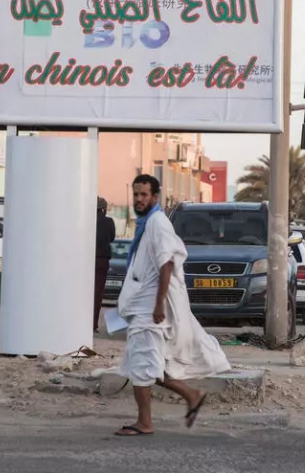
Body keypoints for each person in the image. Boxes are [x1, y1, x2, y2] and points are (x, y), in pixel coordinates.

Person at [114, 174, 230, 436]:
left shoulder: (157, 223)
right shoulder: (147, 224)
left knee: (142, 368)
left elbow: (167, 264)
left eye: (144, 195)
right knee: (145, 364)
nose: (139, 199)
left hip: (150, 311)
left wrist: (158, 306)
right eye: (136, 195)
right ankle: (191, 395)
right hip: (143, 308)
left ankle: (145, 422)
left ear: (155, 197)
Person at [94, 197, 117, 332]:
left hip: (86, 261)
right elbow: (112, 237)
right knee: (97, 294)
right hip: (102, 260)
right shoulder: (108, 222)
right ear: (103, 209)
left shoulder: (86, 220)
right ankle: (93, 324)